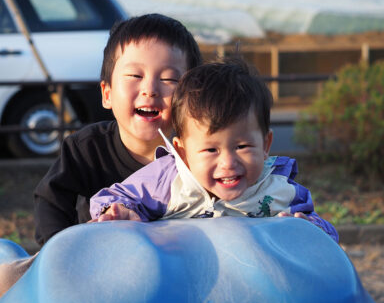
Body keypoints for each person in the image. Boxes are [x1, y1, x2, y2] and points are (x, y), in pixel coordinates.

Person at [0, 13, 202, 297]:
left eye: (169, 79)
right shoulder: (87, 147)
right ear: (107, 93)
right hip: (88, 262)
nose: (150, 89)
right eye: (135, 76)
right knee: (6, 275)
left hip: (170, 272)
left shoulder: (200, 156)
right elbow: (51, 199)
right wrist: (58, 254)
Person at [90, 60, 338, 243]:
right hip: (181, 285)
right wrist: (120, 211)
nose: (228, 163)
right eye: (210, 150)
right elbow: (112, 197)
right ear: (183, 153)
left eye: (242, 146)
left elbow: (326, 235)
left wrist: (310, 229)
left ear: (265, 145)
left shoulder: (279, 189)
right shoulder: (168, 181)